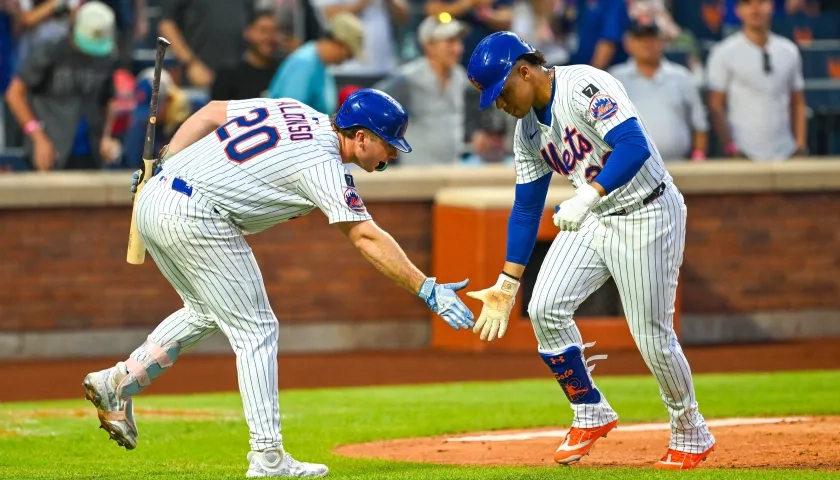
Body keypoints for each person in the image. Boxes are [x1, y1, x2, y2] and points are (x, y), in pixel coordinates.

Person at [81, 88, 475, 478]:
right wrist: (425, 287)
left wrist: (165, 161)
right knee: (257, 330)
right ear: (361, 137)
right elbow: (365, 237)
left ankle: (118, 382)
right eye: (388, 145)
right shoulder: (322, 163)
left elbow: (211, 111)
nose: (392, 155)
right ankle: (268, 457)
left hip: (158, 197)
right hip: (196, 215)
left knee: (204, 312)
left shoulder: (292, 108)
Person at [463, 31, 715, 470]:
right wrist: (507, 282)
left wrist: (589, 194)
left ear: (525, 71)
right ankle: (589, 409)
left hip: (647, 210)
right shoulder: (527, 132)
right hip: (595, 213)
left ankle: (690, 429)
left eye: (501, 92)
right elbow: (526, 208)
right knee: (543, 308)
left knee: (652, 338)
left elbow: (633, 145)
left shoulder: (582, 84)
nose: (499, 104)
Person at [4, 0, 117, 170]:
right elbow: (14, 94)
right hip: (50, 151)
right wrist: (37, 137)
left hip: (91, 154)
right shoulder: (50, 49)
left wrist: (106, 136)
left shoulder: (106, 57)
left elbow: (108, 101)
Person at [706, 0, 807, 160]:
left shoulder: (789, 51)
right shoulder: (723, 53)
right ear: (738, 10)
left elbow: (798, 102)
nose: (755, 8)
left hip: (785, 151)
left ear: (772, 6)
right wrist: (731, 147)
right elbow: (716, 105)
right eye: (748, 3)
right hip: (744, 152)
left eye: (761, 2)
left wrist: (800, 145)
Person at [373, 13, 469, 165]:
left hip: (452, 169)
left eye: (459, 41)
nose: (458, 49)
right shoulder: (408, 78)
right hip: (417, 172)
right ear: (429, 46)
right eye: (450, 42)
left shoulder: (460, 77)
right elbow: (370, 104)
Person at [609, 17, 708, 161]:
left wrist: (699, 157)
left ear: (662, 42)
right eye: (640, 39)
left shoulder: (682, 76)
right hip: (629, 166)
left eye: (651, 38)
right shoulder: (614, 79)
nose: (646, 44)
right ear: (628, 44)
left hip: (679, 164)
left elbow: (699, 123)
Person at [266, 11, 363, 114]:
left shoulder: (322, 65)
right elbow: (290, 112)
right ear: (338, 42)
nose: (347, 59)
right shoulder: (304, 63)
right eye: (349, 54)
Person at [158, 0, 255, 88]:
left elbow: (252, 23)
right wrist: (190, 64)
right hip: (200, 73)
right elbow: (167, 25)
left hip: (240, 73)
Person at [211, 10, 283, 101]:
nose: (269, 38)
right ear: (248, 33)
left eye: (274, 32)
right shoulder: (229, 74)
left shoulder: (283, 71)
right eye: (263, 31)